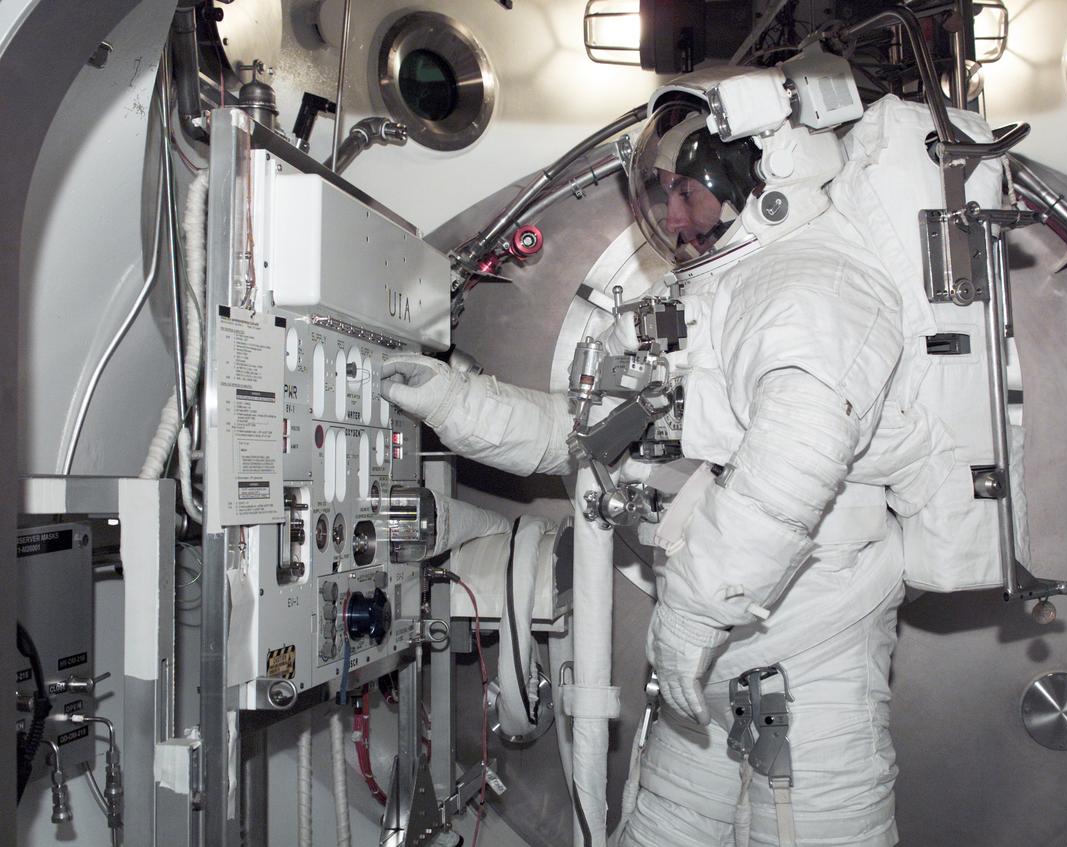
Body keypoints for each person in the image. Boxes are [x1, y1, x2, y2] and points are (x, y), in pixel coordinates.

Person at [382, 87, 950, 847]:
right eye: (662, 197)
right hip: (711, 658)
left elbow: (793, 464)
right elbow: (582, 433)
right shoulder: (708, 296)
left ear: (749, 175)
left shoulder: (813, 281)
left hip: (810, 650)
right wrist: (451, 401)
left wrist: (691, 615)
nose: (672, 218)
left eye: (683, 191)